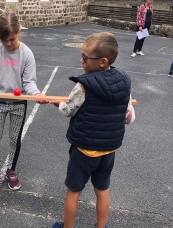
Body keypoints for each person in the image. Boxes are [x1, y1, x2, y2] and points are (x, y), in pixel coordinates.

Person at [51, 32, 135, 228]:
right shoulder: (124, 82)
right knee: (102, 189)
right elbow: (129, 116)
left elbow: (68, 110)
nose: (81, 60)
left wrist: (59, 104)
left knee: (74, 190)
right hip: (108, 151)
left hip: (84, 150)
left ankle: (68, 226)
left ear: (103, 61)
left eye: (86, 57)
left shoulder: (83, 86)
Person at [0, 12, 46, 196]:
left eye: (12, 39)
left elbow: (29, 82)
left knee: (14, 140)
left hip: (19, 104)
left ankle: (10, 170)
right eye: (5, 40)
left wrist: (36, 94)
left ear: (19, 32)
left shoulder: (26, 54)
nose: (9, 44)